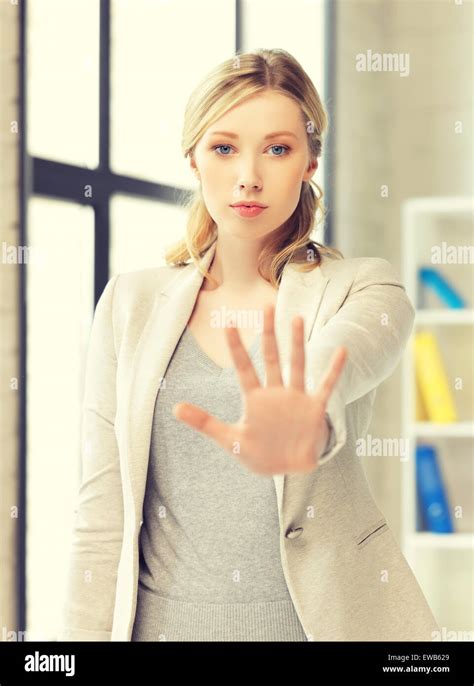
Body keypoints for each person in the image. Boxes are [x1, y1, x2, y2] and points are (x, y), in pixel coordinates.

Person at [58, 48, 439, 642]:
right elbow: (101, 515)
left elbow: (351, 351)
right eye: (225, 147)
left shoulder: (362, 286)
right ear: (193, 157)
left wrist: (306, 407)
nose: (249, 176)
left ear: (311, 161)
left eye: (279, 149)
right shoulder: (129, 304)